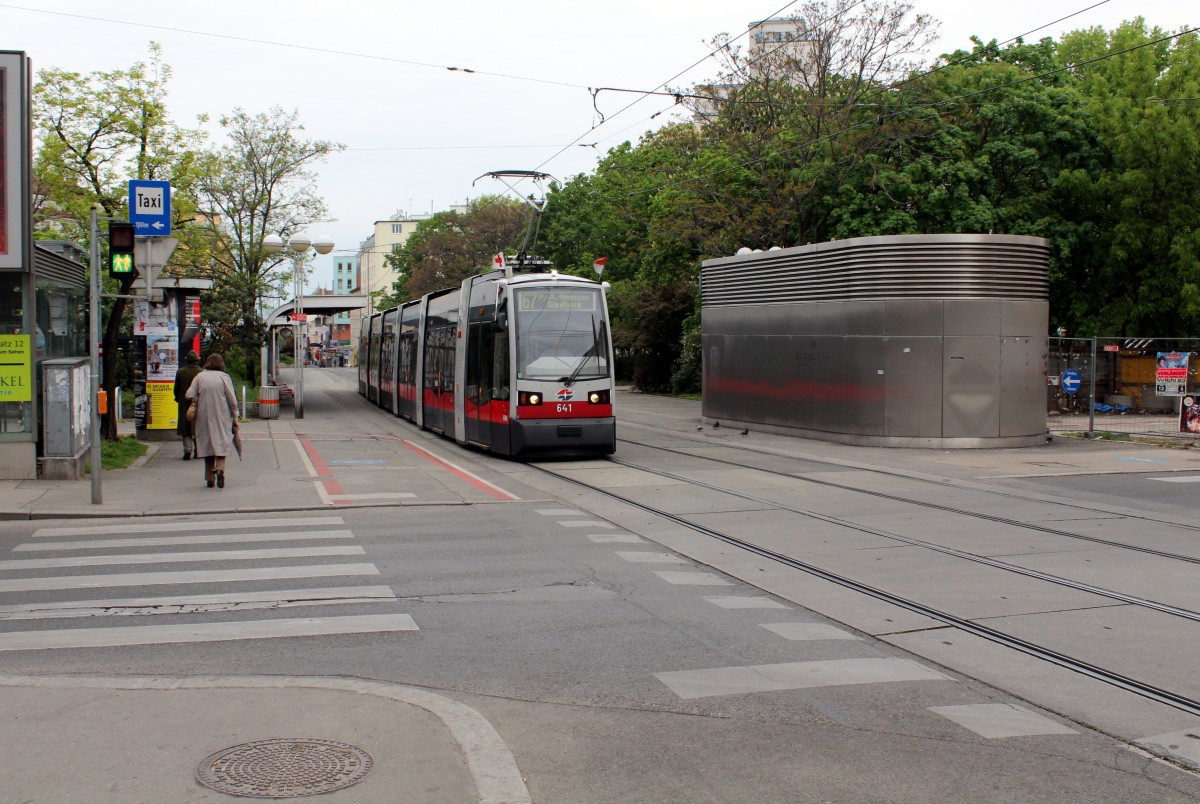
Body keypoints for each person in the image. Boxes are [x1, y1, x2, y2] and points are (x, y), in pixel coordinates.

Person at [186, 353, 240, 489]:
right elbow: (232, 399)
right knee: (221, 444)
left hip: (203, 416)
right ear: (221, 364)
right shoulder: (224, 377)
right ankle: (220, 469)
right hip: (222, 416)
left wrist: (199, 395)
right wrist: (235, 415)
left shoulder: (200, 377)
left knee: (207, 445)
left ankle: (210, 479)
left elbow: (189, 394)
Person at [173, 350, 203, 460]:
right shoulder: (201, 372)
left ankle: (187, 450)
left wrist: (177, 398)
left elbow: (176, 389)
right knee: (198, 427)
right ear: (196, 361)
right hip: (197, 403)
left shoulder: (180, 372)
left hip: (183, 403)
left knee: (185, 427)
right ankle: (198, 451)